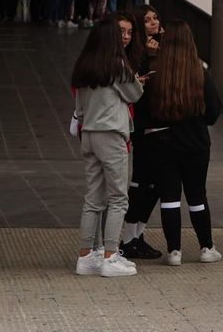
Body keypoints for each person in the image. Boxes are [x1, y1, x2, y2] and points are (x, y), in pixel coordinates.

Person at [141, 21, 223, 265]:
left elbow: (143, 109)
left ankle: (174, 251)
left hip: (162, 142)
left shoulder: (154, 71)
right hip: (196, 142)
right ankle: (206, 247)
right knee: (197, 196)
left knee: (170, 197)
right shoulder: (200, 71)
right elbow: (214, 111)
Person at [71, 20, 146, 278]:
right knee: (118, 197)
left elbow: (78, 107)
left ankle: (86, 256)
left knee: (93, 198)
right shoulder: (118, 65)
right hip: (111, 134)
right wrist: (137, 80)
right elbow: (135, 94)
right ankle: (111, 255)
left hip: (89, 133)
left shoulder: (84, 66)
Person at [121, 7, 164, 259]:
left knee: (155, 184)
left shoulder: (162, 48)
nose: (153, 23)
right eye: (146, 20)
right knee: (141, 183)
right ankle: (129, 238)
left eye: (155, 18)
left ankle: (137, 235)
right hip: (141, 125)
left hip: (159, 124)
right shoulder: (134, 55)